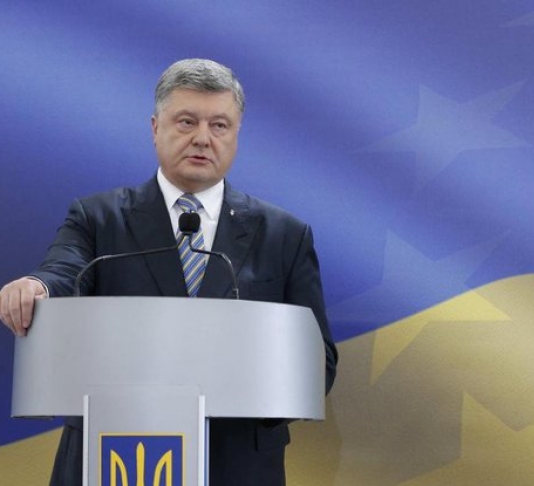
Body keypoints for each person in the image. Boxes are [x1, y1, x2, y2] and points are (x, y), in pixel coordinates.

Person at [0, 58, 337, 486]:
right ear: (155, 127)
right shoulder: (98, 218)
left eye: (219, 125)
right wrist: (37, 286)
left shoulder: (284, 235)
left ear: (237, 135)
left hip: (235, 464)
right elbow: (62, 271)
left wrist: (252, 395)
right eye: (187, 122)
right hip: (115, 455)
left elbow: (318, 359)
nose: (203, 138)